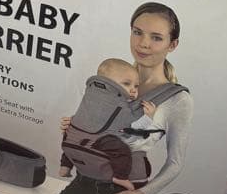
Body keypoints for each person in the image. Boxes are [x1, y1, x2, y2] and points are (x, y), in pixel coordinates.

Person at [46, 2, 194, 194]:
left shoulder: (177, 99)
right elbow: (98, 125)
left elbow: (175, 162)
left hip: (129, 190)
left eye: (156, 37)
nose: (143, 43)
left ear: (172, 44)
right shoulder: (111, 78)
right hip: (86, 180)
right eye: (137, 32)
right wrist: (73, 125)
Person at [57, 57, 161, 186]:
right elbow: (131, 129)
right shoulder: (121, 106)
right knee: (122, 151)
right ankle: (120, 177)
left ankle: (65, 166)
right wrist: (148, 118)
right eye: (126, 84)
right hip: (100, 140)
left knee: (72, 138)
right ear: (108, 83)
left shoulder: (91, 95)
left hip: (72, 137)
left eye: (136, 86)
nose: (133, 90)